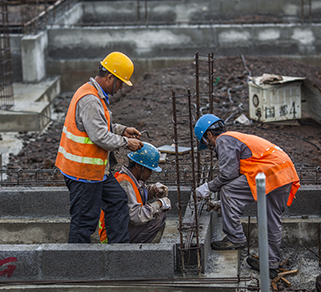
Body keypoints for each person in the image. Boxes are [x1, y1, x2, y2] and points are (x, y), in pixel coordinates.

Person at [194, 113, 300, 279]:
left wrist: (209, 187)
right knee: (269, 218)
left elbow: (229, 174)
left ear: (208, 135)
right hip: (283, 171)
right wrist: (223, 203)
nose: (209, 147)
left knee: (227, 190)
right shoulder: (235, 137)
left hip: (271, 172)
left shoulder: (223, 140)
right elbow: (241, 176)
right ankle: (271, 264)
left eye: (206, 143)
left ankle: (235, 238)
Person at [55, 51, 144, 244]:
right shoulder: (90, 100)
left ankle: (119, 251)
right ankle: (78, 266)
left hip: (96, 172)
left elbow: (98, 126)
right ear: (110, 77)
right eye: (120, 82)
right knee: (84, 222)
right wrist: (127, 142)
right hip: (83, 173)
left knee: (117, 200)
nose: (120, 88)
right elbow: (100, 136)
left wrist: (122, 130)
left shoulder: (95, 95)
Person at [99, 142, 171, 244]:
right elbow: (136, 216)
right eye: (149, 169)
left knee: (158, 215)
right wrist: (158, 204)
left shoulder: (131, 179)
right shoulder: (125, 183)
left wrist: (153, 191)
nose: (151, 173)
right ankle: (134, 252)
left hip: (118, 228)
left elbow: (138, 194)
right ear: (138, 166)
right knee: (157, 217)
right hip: (111, 236)